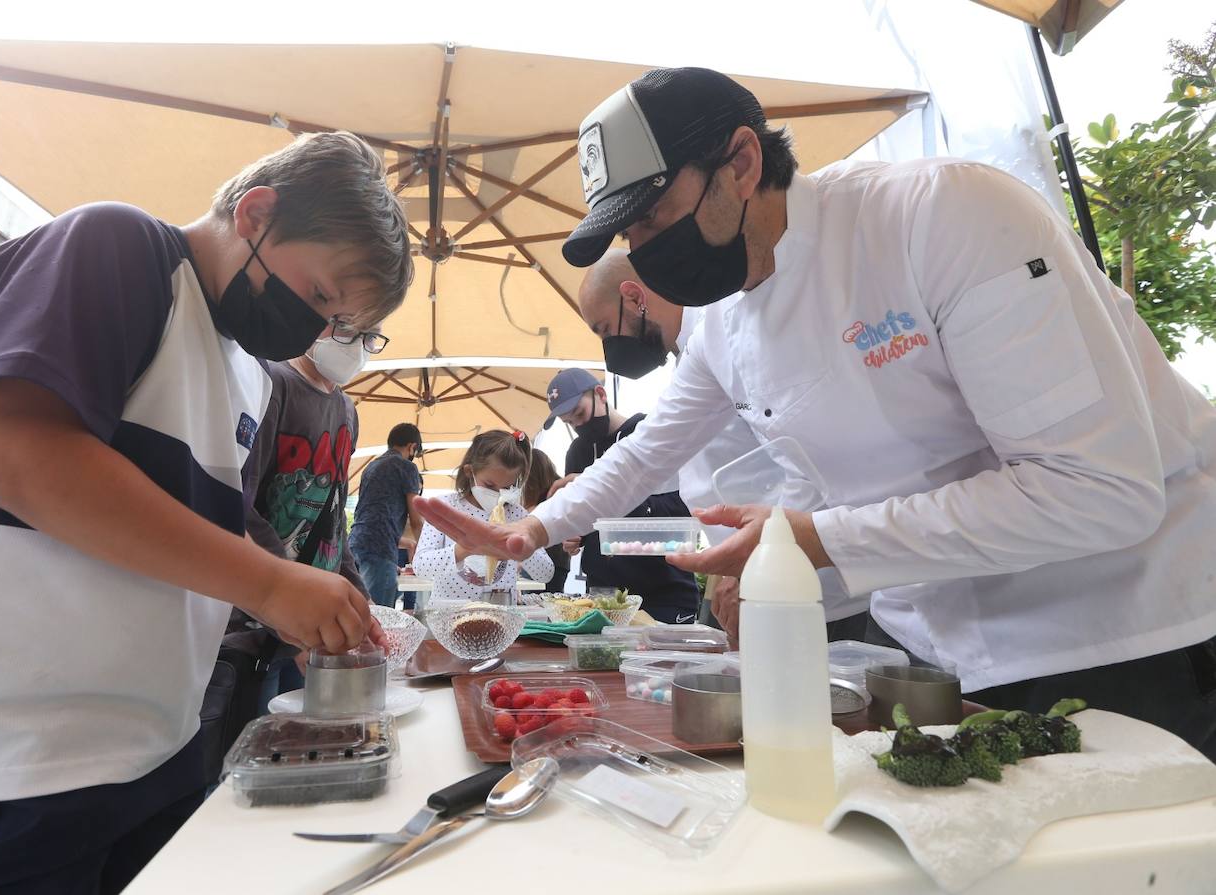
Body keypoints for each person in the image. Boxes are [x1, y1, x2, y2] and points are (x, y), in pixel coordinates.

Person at [414, 67, 1216, 760]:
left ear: (741, 161)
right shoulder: (725, 319)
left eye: (653, 218)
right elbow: (649, 449)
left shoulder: (942, 217)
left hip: (1128, 636)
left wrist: (820, 537)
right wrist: (534, 530)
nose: (647, 250)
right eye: (631, 232)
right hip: (941, 662)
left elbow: (1099, 489)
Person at [0, 131, 413, 893]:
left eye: (338, 322)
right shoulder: (116, 246)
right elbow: (22, 459)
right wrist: (271, 585)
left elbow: (213, 530)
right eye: (317, 296)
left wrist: (295, 605)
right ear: (256, 213)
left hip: (149, 758)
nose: (314, 331)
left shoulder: (248, 374)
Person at [576, 249, 876, 642]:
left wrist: (755, 564)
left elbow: (806, 461)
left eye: (604, 329)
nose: (610, 347)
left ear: (634, 298)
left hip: (811, 584)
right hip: (763, 577)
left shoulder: (735, 336)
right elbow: (655, 460)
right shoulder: (693, 356)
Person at [237, 323, 388, 711]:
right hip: (255, 623)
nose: (358, 346)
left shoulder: (346, 411)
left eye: (370, 337)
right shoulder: (273, 384)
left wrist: (361, 603)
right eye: (349, 329)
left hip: (314, 624)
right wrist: (292, 616)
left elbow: (336, 520)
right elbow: (240, 507)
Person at [544, 368, 701, 624]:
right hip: (603, 592)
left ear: (601, 394)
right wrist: (577, 534)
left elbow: (680, 510)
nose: (578, 426)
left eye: (580, 414)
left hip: (663, 588)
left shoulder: (647, 433)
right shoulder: (577, 452)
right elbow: (588, 520)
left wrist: (597, 494)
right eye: (569, 423)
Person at [413, 430, 552, 602]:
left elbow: (546, 573)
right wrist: (465, 549)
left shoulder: (518, 516)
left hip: (500, 616)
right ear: (469, 471)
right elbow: (420, 566)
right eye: (489, 485)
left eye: (507, 488)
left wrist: (522, 546)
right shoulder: (446, 507)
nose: (498, 494)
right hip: (450, 614)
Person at [349, 422, 424, 608]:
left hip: (355, 543)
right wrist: (426, 553)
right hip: (379, 546)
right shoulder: (407, 468)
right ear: (412, 447)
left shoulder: (371, 467)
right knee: (379, 617)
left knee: (357, 608)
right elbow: (416, 520)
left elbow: (373, 513)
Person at [522, 449, 571, 592]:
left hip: (548, 561)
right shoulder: (559, 494)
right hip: (559, 562)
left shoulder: (545, 503)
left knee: (539, 605)